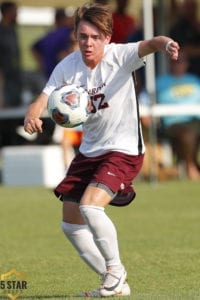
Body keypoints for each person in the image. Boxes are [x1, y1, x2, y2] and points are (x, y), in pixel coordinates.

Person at [24, 3, 179, 297]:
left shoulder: (121, 56)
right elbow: (42, 98)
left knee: (90, 207)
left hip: (124, 149)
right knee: (70, 222)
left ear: (107, 37)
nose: (88, 43)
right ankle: (115, 281)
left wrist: (167, 44)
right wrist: (32, 114)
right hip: (90, 150)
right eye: (83, 36)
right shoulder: (68, 66)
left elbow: (153, 43)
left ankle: (116, 272)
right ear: (76, 36)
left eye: (95, 37)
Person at [156, 51, 200, 180]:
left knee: (191, 131)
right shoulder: (160, 82)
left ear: (187, 64)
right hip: (173, 122)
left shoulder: (195, 80)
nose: (178, 65)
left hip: (195, 119)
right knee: (187, 135)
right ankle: (190, 166)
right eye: (175, 62)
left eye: (181, 62)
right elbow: (145, 99)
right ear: (170, 64)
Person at [169, 0, 200, 77]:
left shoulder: (196, 26)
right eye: (188, 7)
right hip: (184, 73)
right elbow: (182, 50)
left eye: (193, 7)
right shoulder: (178, 28)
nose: (191, 10)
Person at [0, 1, 22, 107]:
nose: (17, 14)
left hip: (14, 74)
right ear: (7, 12)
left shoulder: (12, 30)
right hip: (4, 78)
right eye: (15, 11)